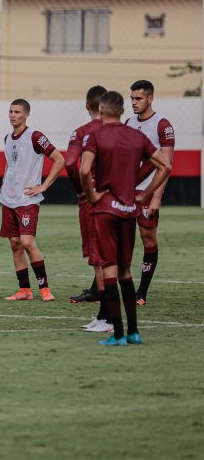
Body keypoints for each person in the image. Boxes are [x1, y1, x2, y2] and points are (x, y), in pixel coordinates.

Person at [80, 90, 171, 346]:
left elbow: (85, 169)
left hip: (105, 209)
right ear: (121, 110)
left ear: (102, 110)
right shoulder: (137, 136)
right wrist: (146, 195)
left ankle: (117, 333)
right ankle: (134, 331)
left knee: (108, 269)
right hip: (129, 209)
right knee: (125, 271)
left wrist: (92, 195)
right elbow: (165, 166)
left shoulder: (94, 136)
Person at [0, 98, 65, 302]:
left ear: (26, 114)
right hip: (8, 198)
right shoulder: (7, 138)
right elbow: (11, 165)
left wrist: (43, 186)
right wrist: (3, 184)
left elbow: (59, 159)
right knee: (15, 244)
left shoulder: (35, 136)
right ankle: (25, 290)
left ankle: (44, 288)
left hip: (27, 199)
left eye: (17, 112)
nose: (12, 115)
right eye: (10, 111)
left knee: (27, 241)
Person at [64, 86, 114, 332]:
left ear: (87, 106)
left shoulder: (83, 132)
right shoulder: (121, 131)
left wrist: (83, 190)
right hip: (118, 199)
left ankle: (107, 318)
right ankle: (106, 315)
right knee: (114, 260)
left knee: (99, 261)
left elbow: (71, 163)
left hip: (93, 200)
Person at [125, 80, 174, 306]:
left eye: (139, 98)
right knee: (120, 241)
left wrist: (156, 196)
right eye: (132, 98)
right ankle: (105, 289)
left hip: (147, 192)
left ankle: (141, 292)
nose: (134, 102)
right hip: (126, 192)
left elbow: (166, 164)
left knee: (147, 238)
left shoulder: (162, 126)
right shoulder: (127, 123)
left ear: (150, 98)